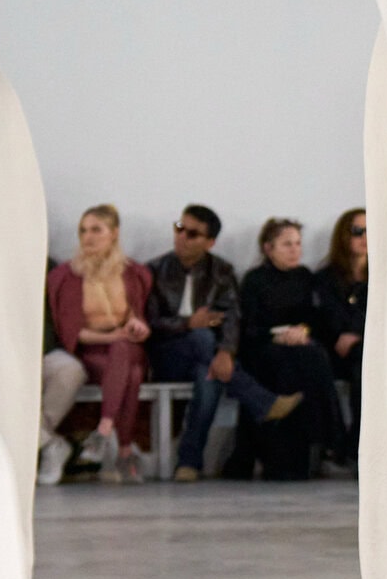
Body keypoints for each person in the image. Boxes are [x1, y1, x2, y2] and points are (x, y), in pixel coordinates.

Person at [144, 204, 294, 481]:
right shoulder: (154, 270)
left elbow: (232, 318)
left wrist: (225, 353)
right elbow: (149, 324)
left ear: (210, 242)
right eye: (180, 228)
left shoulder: (221, 271)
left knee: (208, 376)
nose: (182, 237)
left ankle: (188, 464)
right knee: (200, 336)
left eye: (192, 234)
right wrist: (188, 323)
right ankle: (261, 400)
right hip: (166, 355)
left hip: (206, 358)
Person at [45, 205, 153, 482]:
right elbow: (72, 332)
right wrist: (112, 337)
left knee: (124, 351)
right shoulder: (67, 275)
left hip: (128, 347)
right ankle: (124, 450)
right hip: (92, 350)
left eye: (96, 230)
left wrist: (136, 325)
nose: (88, 237)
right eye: (83, 231)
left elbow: (138, 316)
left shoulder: (133, 273)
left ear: (114, 233)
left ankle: (103, 430)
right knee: (132, 374)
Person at [236, 218, 346, 479]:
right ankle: (321, 443)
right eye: (287, 244)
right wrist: (278, 336)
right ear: (268, 248)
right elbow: (250, 325)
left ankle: (320, 442)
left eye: (298, 243)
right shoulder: (255, 280)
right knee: (293, 363)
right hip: (264, 346)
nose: (295, 250)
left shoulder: (304, 277)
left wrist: (302, 330)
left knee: (312, 356)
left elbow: (315, 318)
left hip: (299, 343)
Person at [316, 207, 369, 466]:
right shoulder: (326, 278)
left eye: (370, 230)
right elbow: (328, 317)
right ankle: (345, 443)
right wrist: (347, 333)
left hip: (365, 349)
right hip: (333, 350)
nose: (365, 237)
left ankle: (357, 444)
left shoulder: (384, 275)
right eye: (358, 231)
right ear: (344, 236)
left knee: (364, 364)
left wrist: (357, 334)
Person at [37, 262, 86, 484]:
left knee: (70, 370)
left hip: (44, 350)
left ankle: (40, 440)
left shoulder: (50, 267)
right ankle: (49, 444)